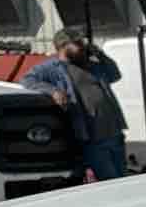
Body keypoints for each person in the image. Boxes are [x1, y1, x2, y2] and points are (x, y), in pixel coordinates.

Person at [19, 32, 130, 183]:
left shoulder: (92, 65)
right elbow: (27, 80)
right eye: (78, 44)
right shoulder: (53, 68)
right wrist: (53, 91)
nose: (83, 47)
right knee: (112, 181)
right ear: (64, 46)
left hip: (114, 133)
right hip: (93, 139)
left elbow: (115, 75)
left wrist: (100, 54)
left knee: (125, 179)